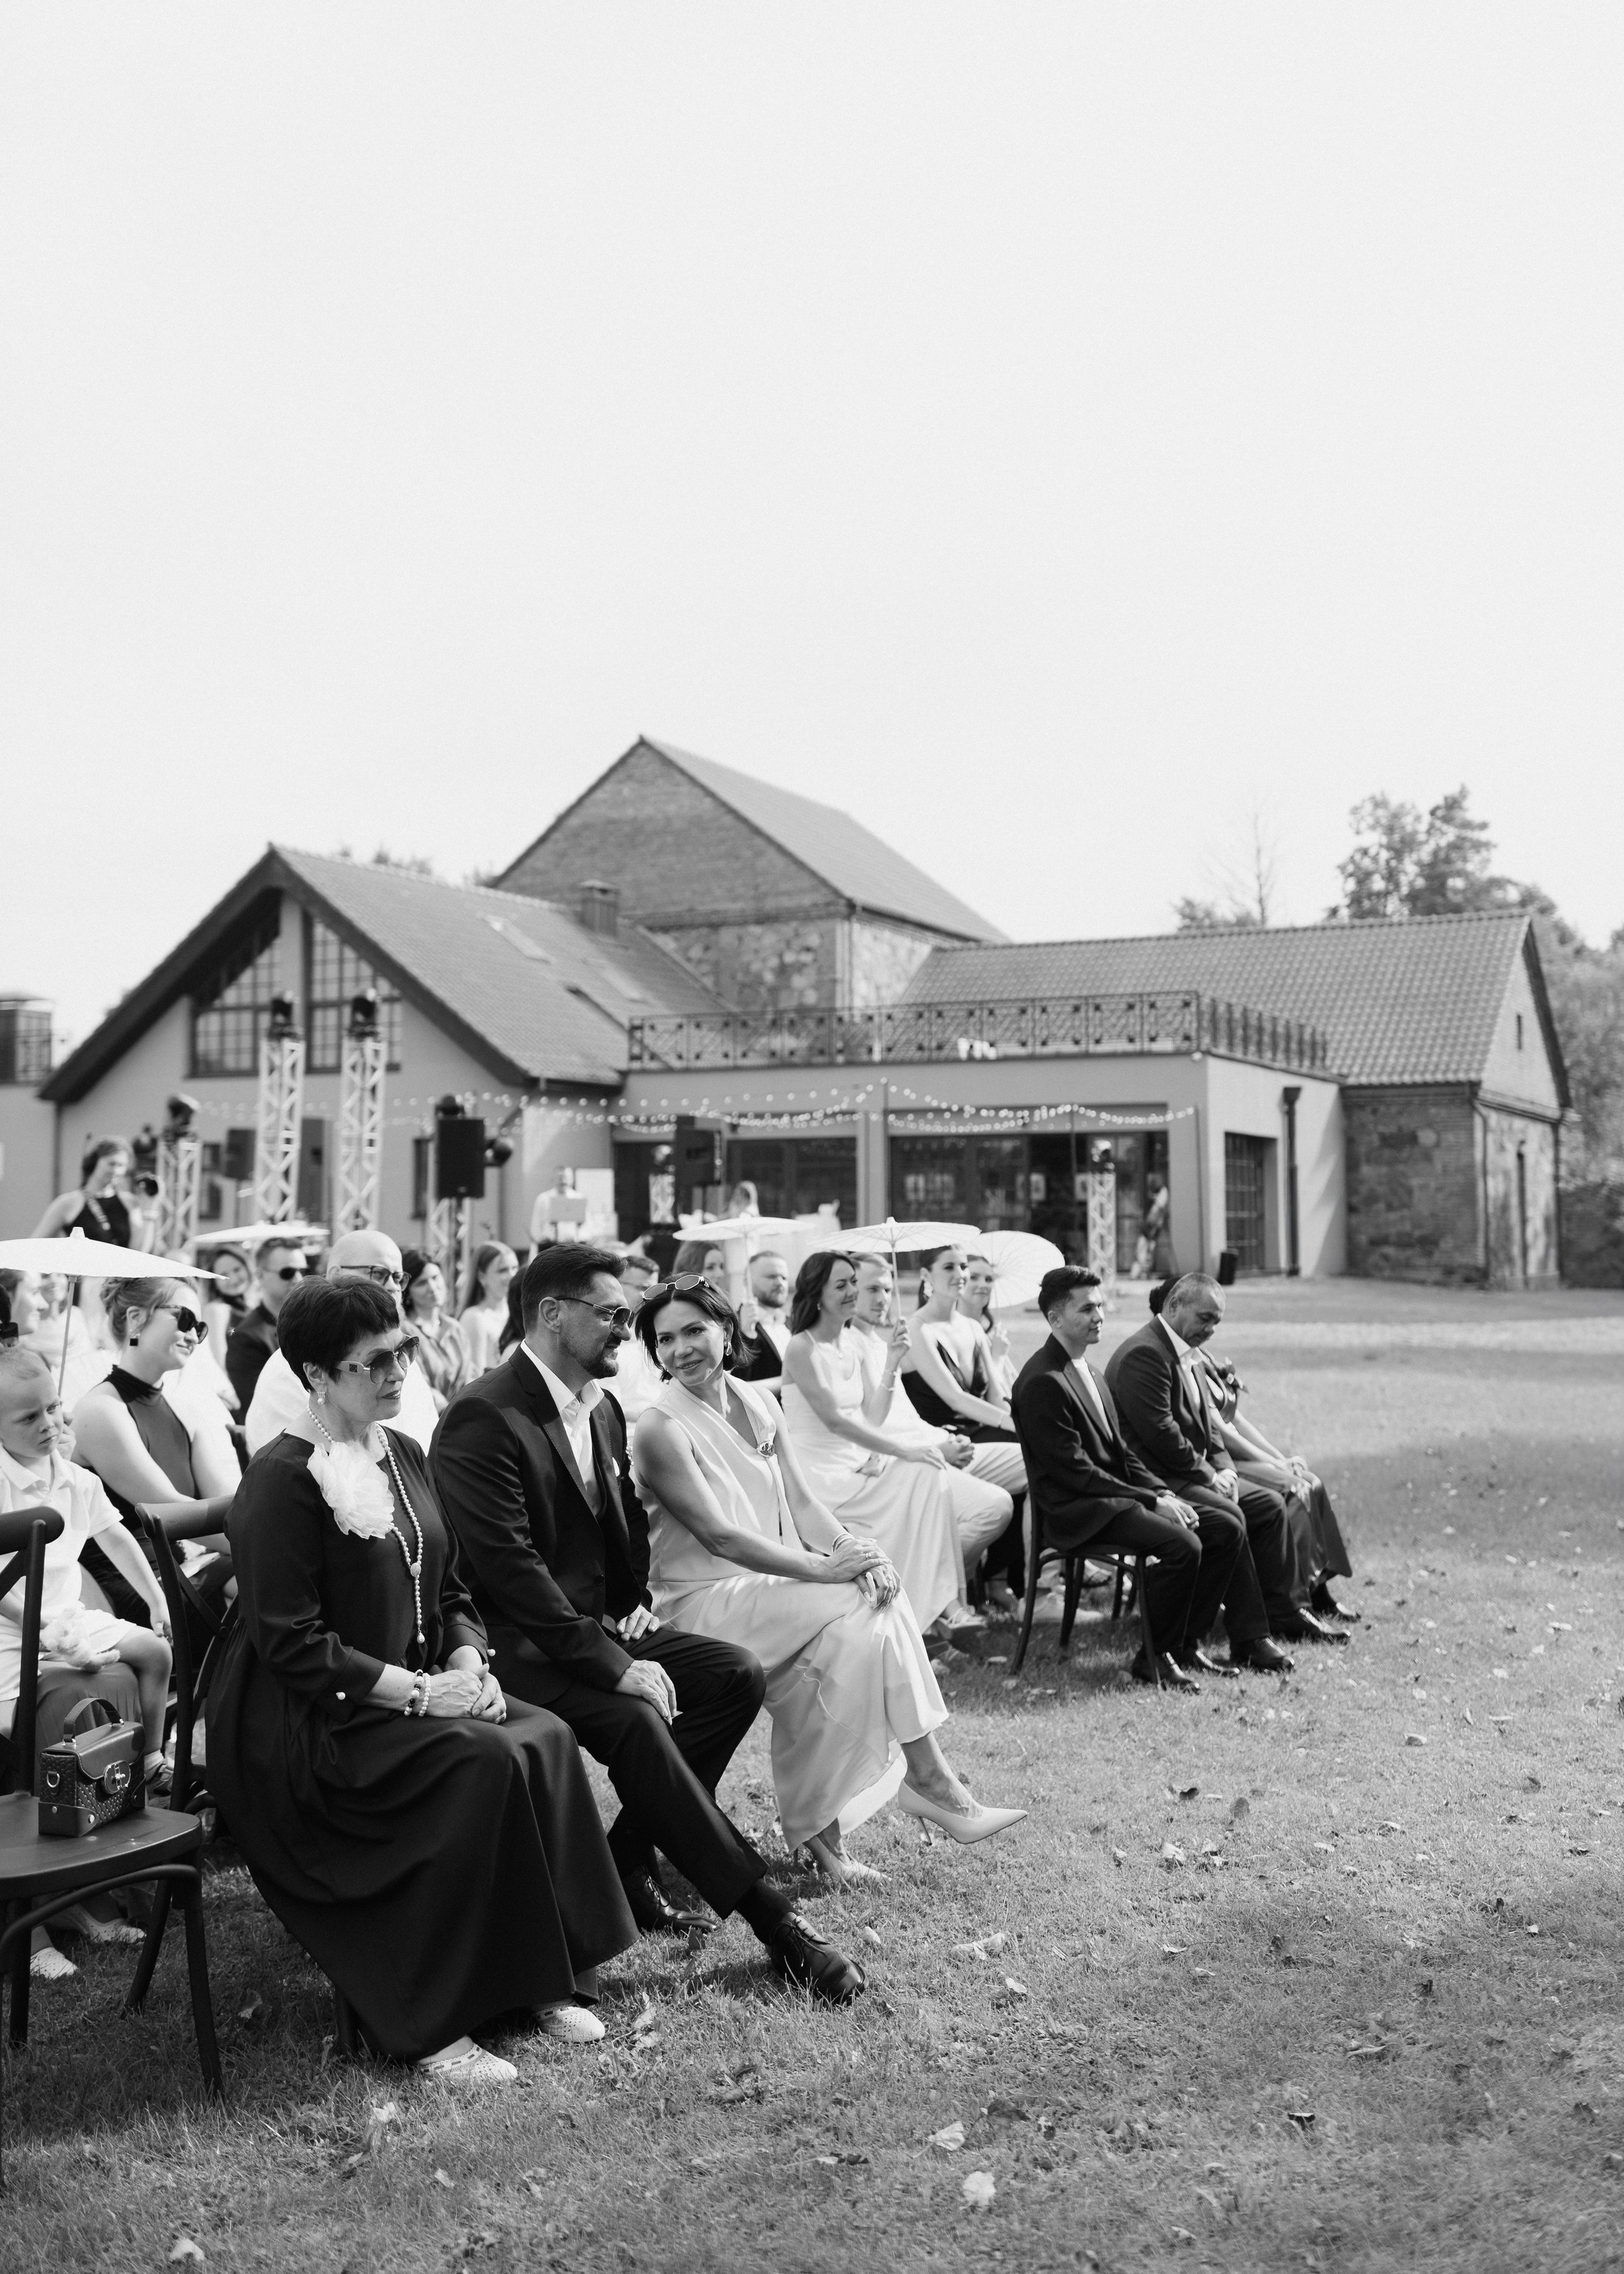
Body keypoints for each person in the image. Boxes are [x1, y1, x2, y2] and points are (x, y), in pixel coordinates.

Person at [207, 1277, 636, 2081]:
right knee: (481, 1760)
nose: (398, 1371)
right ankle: (434, 2021)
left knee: (544, 1734)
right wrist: (418, 1692)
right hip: (306, 1727)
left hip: (407, 1689)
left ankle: (540, 1978)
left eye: (402, 1350)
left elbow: (451, 1590)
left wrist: (468, 1658)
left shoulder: (403, 1451)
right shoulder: (279, 1480)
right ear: (317, 1377)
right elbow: (290, 1645)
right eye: (374, 1362)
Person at [430, 1245, 867, 2001]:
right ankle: (777, 1923)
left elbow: (619, 1518)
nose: (626, 1330)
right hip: (517, 1644)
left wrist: (630, 1597)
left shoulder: (599, 1405)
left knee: (731, 1672)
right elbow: (508, 1570)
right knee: (636, 1715)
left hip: (593, 1624)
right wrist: (612, 1660)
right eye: (611, 1313)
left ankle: (625, 1854)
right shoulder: (481, 1413)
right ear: (551, 1314)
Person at [632, 1273, 1026, 1886]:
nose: (681, 1349)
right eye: (665, 1340)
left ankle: (827, 1845)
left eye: (694, 1331)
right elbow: (720, 1538)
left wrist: (851, 1545)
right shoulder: (659, 1428)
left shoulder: (759, 1401)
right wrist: (830, 1568)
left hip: (767, 1594)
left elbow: (805, 1500)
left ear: (726, 1331)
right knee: (858, 1594)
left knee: (857, 1634)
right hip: (700, 1602)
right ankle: (932, 1781)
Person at [1010, 1269, 1245, 1690]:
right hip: (1077, 1510)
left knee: (1224, 1527)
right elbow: (1077, 1473)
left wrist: (1160, 1490)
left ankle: (1184, 1644)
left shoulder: (1093, 1372)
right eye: (1086, 1308)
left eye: (1100, 1305)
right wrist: (1153, 1501)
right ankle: (1153, 1659)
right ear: (1054, 1318)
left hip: (1111, 1497)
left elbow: (1122, 1454)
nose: (1098, 1315)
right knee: (1182, 1545)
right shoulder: (1041, 1382)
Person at [1104, 1273, 1342, 1667]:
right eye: (1204, 1318)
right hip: (1157, 1480)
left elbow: (1209, 1426)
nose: (1210, 1329)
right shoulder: (1144, 1354)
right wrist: (1208, 1476)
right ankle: (1238, 1638)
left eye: (1217, 1321)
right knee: (1233, 1518)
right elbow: (1161, 1433)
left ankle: (1277, 1615)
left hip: (1189, 1473)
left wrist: (1225, 1469)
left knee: (1266, 1504)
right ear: (1174, 1305)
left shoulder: (1186, 1351)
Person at [0, 1346, 176, 1787]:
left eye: (54, 1407)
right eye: (28, 1418)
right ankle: (29, 1786)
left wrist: (156, 1599)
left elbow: (114, 1536)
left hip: (68, 1618)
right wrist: (38, 1629)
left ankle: (151, 1756)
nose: (49, 1424)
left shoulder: (77, 1479)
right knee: (14, 1715)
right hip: (10, 1628)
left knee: (157, 1653)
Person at [779, 1252, 971, 1641]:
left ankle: (928, 1614)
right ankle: (928, 1615)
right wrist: (903, 1451)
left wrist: (892, 1363)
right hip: (819, 1475)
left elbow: (873, 1414)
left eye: (854, 1282)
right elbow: (835, 1420)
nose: (853, 1291)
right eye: (842, 1285)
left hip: (856, 1466)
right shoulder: (801, 1348)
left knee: (926, 1476)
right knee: (918, 1470)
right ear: (817, 1294)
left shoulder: (853, 1342)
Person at [70, 1277, 240, 1640]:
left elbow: (226, 1504)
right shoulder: (101, 1411)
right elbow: (170, 1511)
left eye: (201, 1326)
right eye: (184, 1320)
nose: (194, 1335)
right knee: (266, 1580)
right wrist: (267, 1545)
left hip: (182, 1570)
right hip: (135, 1588)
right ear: (135, 1319)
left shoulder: (185, 1413)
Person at [849, 1255, 1011, 1605]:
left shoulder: (882, 1343)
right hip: (906, 1462)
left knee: (1031, 1452)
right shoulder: (859, 1346)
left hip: (941, 1441)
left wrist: (943, 1440)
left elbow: (910, 1421)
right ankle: (928, 1593)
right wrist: (941, 1449)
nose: (884, 1298)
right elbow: (869, 1426)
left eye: (889, 1289)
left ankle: (1031, 1582)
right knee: (995, 1507)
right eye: (873, 1288)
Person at [1189, 1327, 1358, 1625]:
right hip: (1221, 1462)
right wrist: (1275, 1466)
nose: (1211, 1326)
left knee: (1312, 1483)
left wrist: (1281, 1459)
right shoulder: (1184, 1365)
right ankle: (1292, 1601)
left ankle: (1320, 1591)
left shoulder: (1204, 1356)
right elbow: (1225, 1434)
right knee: (1295, 1490)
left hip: (1241, 1458)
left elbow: (1238, 1419)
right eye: (1205, 1316)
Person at [901, 1245, 1029, 1610]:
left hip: (980, 1431)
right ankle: (962, 1574)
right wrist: (1010, 1424)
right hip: (941, 1438)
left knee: (1034, 1447)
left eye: (962, 1267)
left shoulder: (973, 1327)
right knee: (1018, 1442)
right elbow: (956, 1399)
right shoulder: (917, 1329)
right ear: (926, 1277)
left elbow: (993, 1396)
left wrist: (1022, 1418)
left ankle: (1012, 1577)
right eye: (949, 1267)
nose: (960, 1274)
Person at [246, 1231, 440, 1454]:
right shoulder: (287, 1372)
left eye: (399, 1277)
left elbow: (426, 1456)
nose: (393, 1287)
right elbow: (291, 1462)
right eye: (379, 1273)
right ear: (336, 1275)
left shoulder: (404, 1364)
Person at [225, 1235, 310, 1416]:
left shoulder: (314, 1324)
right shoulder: (246, 1338)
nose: (298, 1279)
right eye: (287, 1272)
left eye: (302, 1271)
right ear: (260, 1276)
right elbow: (261, 1408)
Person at [32, 1136, 155, 1250]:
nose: (116, 1171)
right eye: (111, 1164)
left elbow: (140, 1253)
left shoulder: (130, 1203)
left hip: (118, 1273)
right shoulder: (69, 1202)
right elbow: (35, 1244)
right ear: (94, 1162)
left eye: (121, 1166)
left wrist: (151, 1207)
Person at [401, 1249, 473, 1412]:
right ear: (408, 1292)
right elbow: (418, 1387)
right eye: (421, 1283)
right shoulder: (406, 1332)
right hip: (429, 1418)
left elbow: (472, 1378)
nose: (432, 1287)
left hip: (466, 1415)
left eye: (435, 1278)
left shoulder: (455, 1328)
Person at [606, 1250, 666, 1431]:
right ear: (618, 1285)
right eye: (642, 1288)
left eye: (654, 1290)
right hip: (626, 1434)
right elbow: (606, 1408)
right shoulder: (605, 1339)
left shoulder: (660, 1334)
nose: (649, 1297)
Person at [958, 1256, 1016, 1398]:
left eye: (989, 1279)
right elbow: (980, 1394)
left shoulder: (992, 1337)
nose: (984, 1284)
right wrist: (998, 1357)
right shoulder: (957, 1333)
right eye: (974, 1277)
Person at [459, 1242, 518, 1377]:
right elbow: (476, 1376)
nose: (512, 1275)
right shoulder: (474, 1317)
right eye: (503, 1270)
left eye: (515, 1268)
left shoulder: (515, 1311)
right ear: (482, 1276)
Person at [733, 1251, 792, 1384]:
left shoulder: (792, 1323)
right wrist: (746, 1334)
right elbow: (736, 1384)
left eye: (784, 1278)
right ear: (747, 1281)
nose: (780, 1283)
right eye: (771, 1277)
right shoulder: (732, 1326)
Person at [203, 1247, 251, 1372]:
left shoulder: (252, 1305)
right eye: (223, 1275)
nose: (233, 1279)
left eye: (237, 1270)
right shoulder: (216, 1310)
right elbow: (219, 1359)